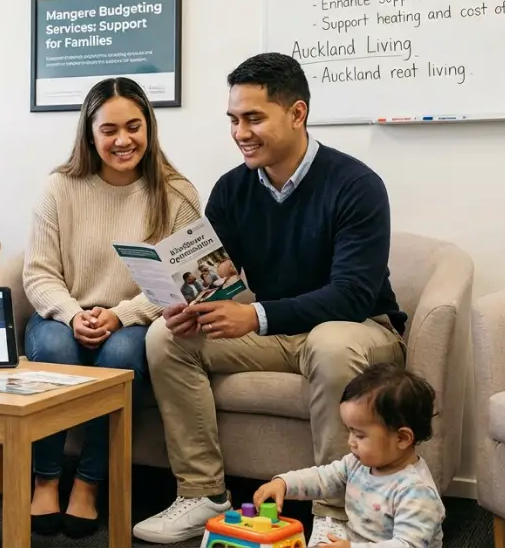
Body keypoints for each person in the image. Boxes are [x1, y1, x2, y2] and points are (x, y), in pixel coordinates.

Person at [132, 53, 407, 544]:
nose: (241, 132)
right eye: (234, 120)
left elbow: (352, 294)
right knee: (165, 338)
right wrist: (187, 303)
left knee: (329, 342)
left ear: (297, 113)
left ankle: (334, 514)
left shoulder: (356, 185)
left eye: (254, 118)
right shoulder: (233, 189)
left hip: (361, 330)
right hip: (278, 333)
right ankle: (202, 494)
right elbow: (214, 272)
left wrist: (254, 316)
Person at [22, 77, 201, 539]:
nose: (123, 140)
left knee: (121, 356)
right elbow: (38, 273)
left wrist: (121, 315)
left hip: (136, 320)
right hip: (64, 315)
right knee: (58, 349)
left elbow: (182, 282)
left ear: (150, 128)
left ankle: (88, 484)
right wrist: (71, 313)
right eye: (109, 129)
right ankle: (44, 478)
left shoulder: (177, 194)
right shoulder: (59, 187)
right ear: (89, 132)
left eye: (134, 126)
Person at [253, 362, 445, 547]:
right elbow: (322, 478)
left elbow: (407, 545)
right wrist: (285, 483)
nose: (351, 442)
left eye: (360, 435)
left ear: (402, 438)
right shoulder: (357, 464)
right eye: (350, 431)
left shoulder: (416, 491)